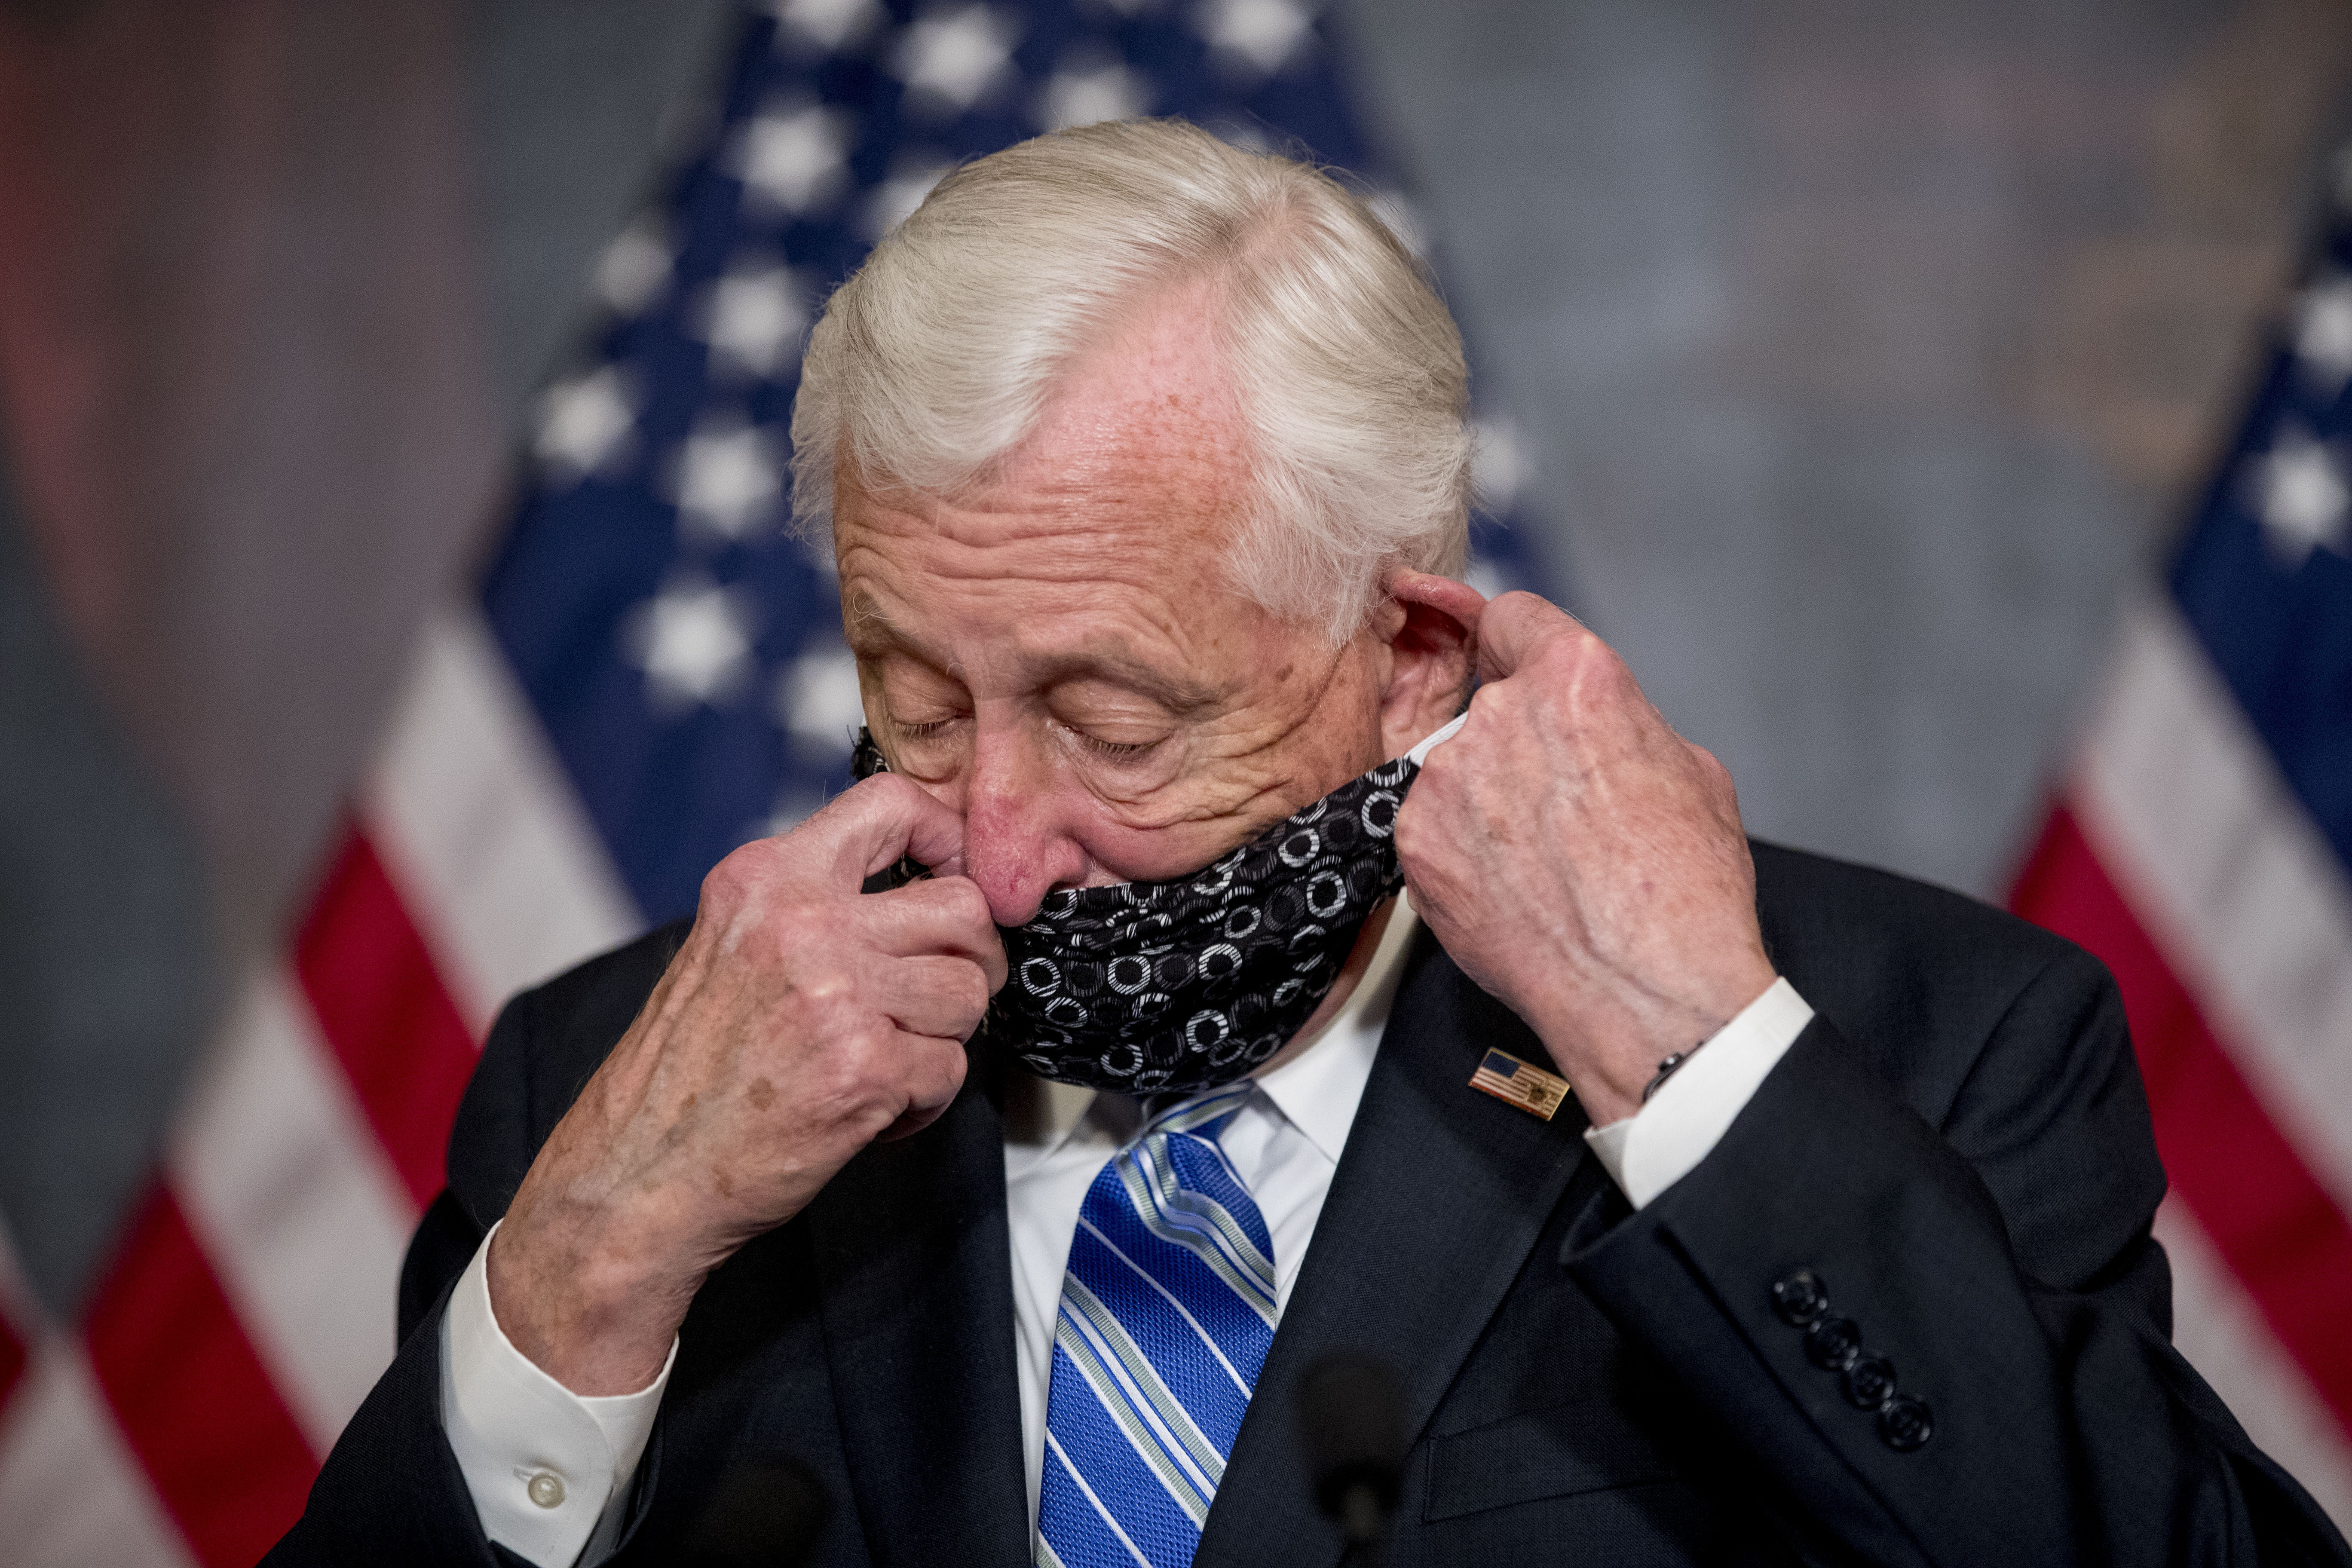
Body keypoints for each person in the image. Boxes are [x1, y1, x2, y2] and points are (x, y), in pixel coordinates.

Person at [266, 118, 2349, 1568]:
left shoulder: (1916, 1039)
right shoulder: (607, 1081)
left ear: (1411, 660)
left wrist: (1697, 1063)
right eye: (912, 697)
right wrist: (586, 1266)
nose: (995, 850)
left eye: (1112, 718)